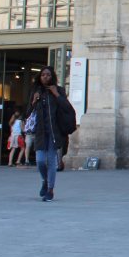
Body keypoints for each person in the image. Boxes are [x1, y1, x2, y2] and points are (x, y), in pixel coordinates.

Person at [28, 66, 73, 201]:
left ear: (52, 76)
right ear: (39, 77)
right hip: (41, 132)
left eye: (48, 75)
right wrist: (33, 102)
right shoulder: (36, 92)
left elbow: (67, 108)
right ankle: (45, 181)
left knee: (52, 162)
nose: (45, 77)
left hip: (54, 132)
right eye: (43, 75)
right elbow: (28, 113)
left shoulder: (59, 91)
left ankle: (50, 190)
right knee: (40, 161)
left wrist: (57, 95)